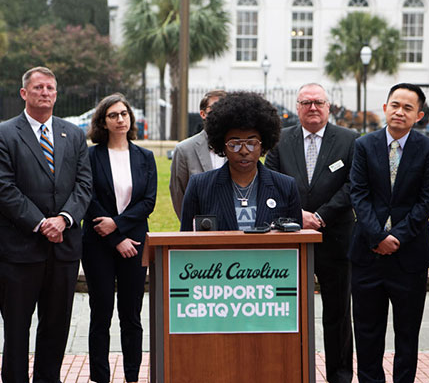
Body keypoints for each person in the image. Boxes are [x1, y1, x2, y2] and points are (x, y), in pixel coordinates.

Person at [0, 66, 93, 382]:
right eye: (38, 88)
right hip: (20, 249)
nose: (45, 93)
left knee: (56, 327)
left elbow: (84, 184)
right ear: (24, 93)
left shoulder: (72, 134)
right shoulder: (3, 134)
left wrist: (64, 219)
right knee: (17, 329)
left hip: (64, 249)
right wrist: (41, 222)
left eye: (50, 88)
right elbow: (2, 188)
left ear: (56, 94)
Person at [265, 83, 358, 383]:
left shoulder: (349, 140)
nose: (313, 108)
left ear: (329, 106)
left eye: (318, 102)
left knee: (339, 313)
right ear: (297, 107)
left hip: (336, 239)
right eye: (306, 103)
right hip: (291, 238)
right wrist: (297, 216)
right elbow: (270, 182)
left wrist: (320, 216)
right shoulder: (281, 141)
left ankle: (340, 375)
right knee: (288, 310)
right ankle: (291, 372)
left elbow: (353, 186)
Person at [349, 83, 429, 383]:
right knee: (367, 332)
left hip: (409, 257)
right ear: (385, 107)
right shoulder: (364, 145)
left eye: (408, 108)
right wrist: (377, 237)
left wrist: (397, 237)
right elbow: (359, 195)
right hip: (367, 255)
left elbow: (427, 200)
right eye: (395, 105)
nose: (400, 112)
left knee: (407, 334)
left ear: (420, 115)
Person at [82, 93, 157, 383]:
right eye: (113, 115)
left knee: (132, 316)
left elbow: (148, 202)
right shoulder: (90, 156)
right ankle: (99, 377)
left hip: (135, 244)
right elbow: (88, 199)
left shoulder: (145, 157)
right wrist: (114, 237)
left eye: (124, 114)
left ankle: (132, 376)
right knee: (100, 313)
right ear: (103, 121)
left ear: (130, 118)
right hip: (97, 245)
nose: (120, 119)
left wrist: (119, 227)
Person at [180, 91, 301, 231]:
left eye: (252, 142)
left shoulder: (285, 187)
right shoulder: (200, 186)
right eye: (234, 143)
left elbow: (296, 243)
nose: (244, 151)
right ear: (222, 146)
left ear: (263, 144)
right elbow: (186, 239)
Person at [170, 89, 227, 219]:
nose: (220, 112)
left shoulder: (239, 147)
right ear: (202, 114)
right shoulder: (184, 150)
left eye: (224, 107)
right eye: (215, 107)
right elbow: (178, 194)